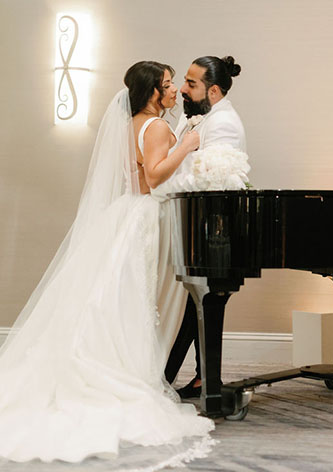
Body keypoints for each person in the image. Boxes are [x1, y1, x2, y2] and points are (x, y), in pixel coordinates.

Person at [0, 61, 214, 468]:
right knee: (138, 297)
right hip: (148, 218)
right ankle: (133, 372)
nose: (174, 92)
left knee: (119, 297)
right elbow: (153, 177)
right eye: (168, 86)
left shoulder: (131, 123)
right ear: (153, 92)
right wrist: (186, 147)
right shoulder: (155, 128)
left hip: (126, 215)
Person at [161, 55, 246, 398]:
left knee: (200, 303)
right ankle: (193, 378)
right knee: (196, 304)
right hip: (188, 224)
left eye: (191, 84)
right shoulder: (197, 113)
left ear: (213, 91)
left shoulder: (224, 123)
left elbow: (206, 179)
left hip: (210, 229)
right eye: (183, 80)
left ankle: (195, 381)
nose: (182, 89)